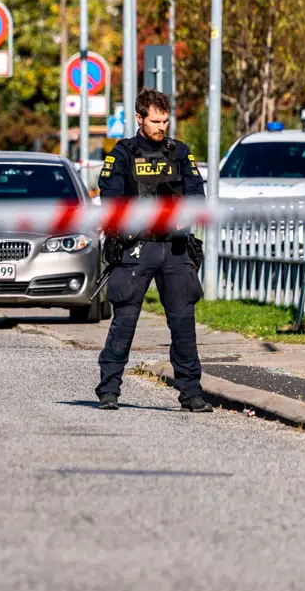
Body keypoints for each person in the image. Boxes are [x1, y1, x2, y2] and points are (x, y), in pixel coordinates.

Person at [95, 88, 211, 412]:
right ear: (139, 118)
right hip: (137, 247)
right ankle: (109, 391)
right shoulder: (122, 154)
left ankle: (191, 394)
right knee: (125, 321)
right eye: (155, 121)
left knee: (183, 323)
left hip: (174, 248)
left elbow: (196, 195)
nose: (161, 127)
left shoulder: (180, 153)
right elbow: (111, 198)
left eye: (165, 120)